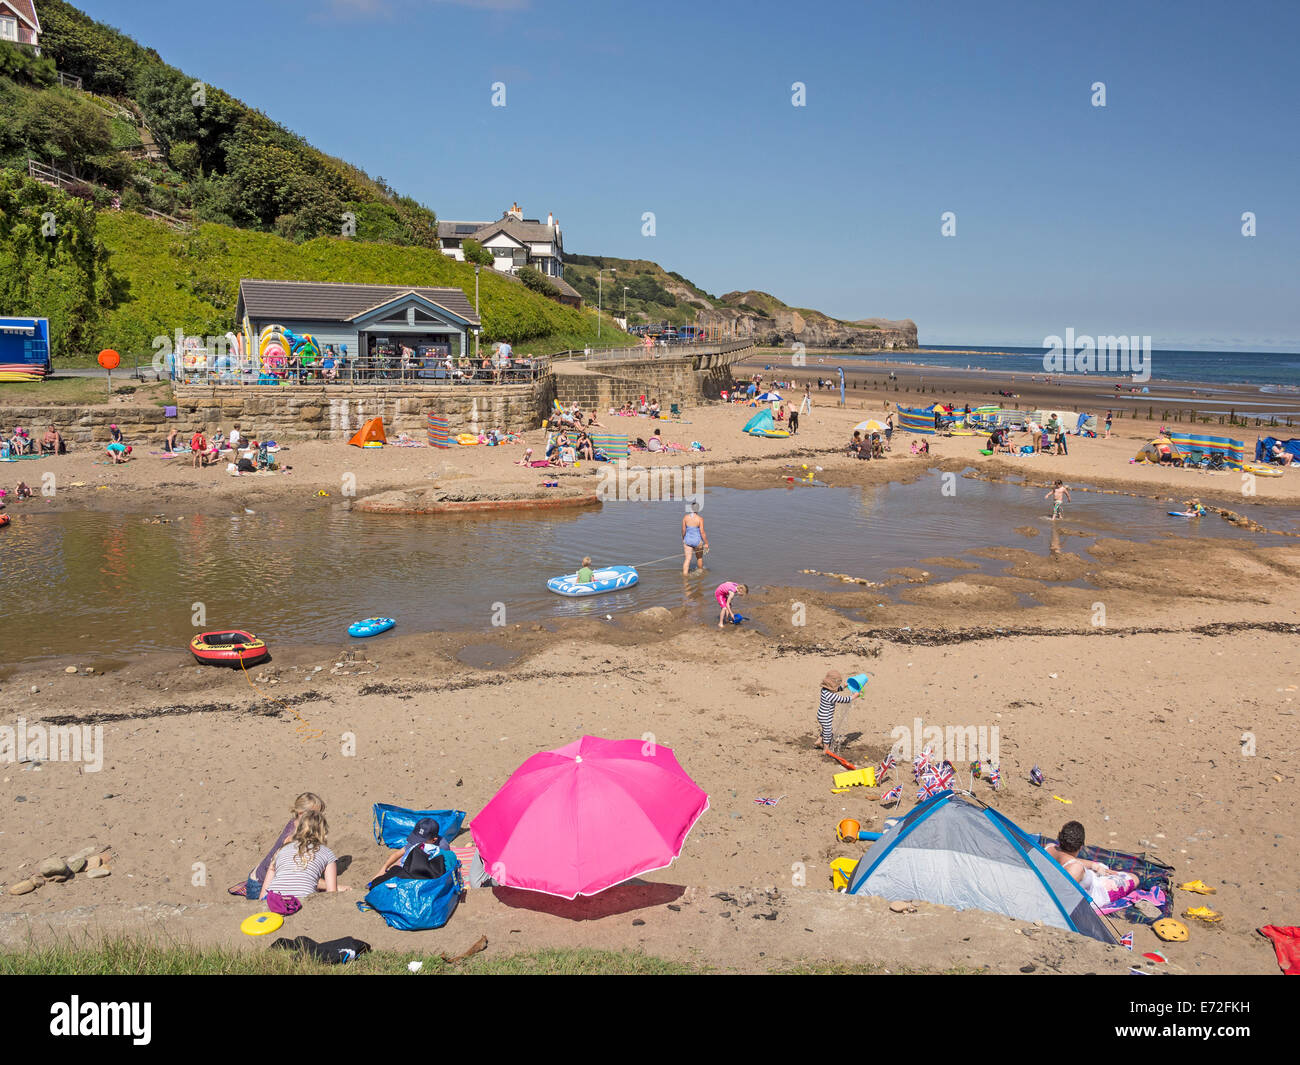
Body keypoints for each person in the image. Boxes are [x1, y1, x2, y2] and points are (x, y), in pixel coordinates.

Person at [231, 792, 326, 898]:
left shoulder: (296, 823)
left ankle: (249, 884)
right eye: (314, 814)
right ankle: (249, 888)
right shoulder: (293, 838)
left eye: (320, 814)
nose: (318, 818)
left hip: (260, 873)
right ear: (300, 812)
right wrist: (331, 886)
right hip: (261, 885)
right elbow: (296, 874)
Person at [1045, 820, 1138, 908]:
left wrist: (1095, 866)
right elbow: (1062, 896)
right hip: (1099, 893)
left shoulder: (1049, 848)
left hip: (1091, 880)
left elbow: (1069, 860)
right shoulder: (1075, 868)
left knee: (1103, 868)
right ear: (1081, 847)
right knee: (1134, 878)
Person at [260, 809, 348, 901]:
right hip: (302, 899)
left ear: (299, 828)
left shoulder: (281, 850)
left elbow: (263, 894)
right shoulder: (327, 853)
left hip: (272, 900)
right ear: (323, 831)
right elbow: (331, 894)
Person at [369, 817, 449, 887]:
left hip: (425, 871)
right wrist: (383, 869)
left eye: (420, 841)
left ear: (434, 840)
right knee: (397, 863)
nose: (417, 842)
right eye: (416, 839)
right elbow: (398, 854)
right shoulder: (418, 841)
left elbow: (440, 870)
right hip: (412, 864)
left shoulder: (442, 847)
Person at [818, 670, 858, 755]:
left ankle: (818, 741)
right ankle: (826, 749)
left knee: (825, 729)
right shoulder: (831, 696)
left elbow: (834, 690)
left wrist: (843, 687)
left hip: (821, 715)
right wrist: (853, 696)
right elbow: (844, 700)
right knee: (828, 732)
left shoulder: (824, 690)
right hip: (826, 717)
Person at [682, 504, 708, 575]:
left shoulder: (685, 517)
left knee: (687, 559)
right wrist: (706, 543)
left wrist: (683, 539)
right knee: (699, 558)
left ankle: (685, 577)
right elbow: (702, 532)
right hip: (697, 542)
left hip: (687, 541)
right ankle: (700, 574)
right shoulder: (700, 519)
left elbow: (683, 530)